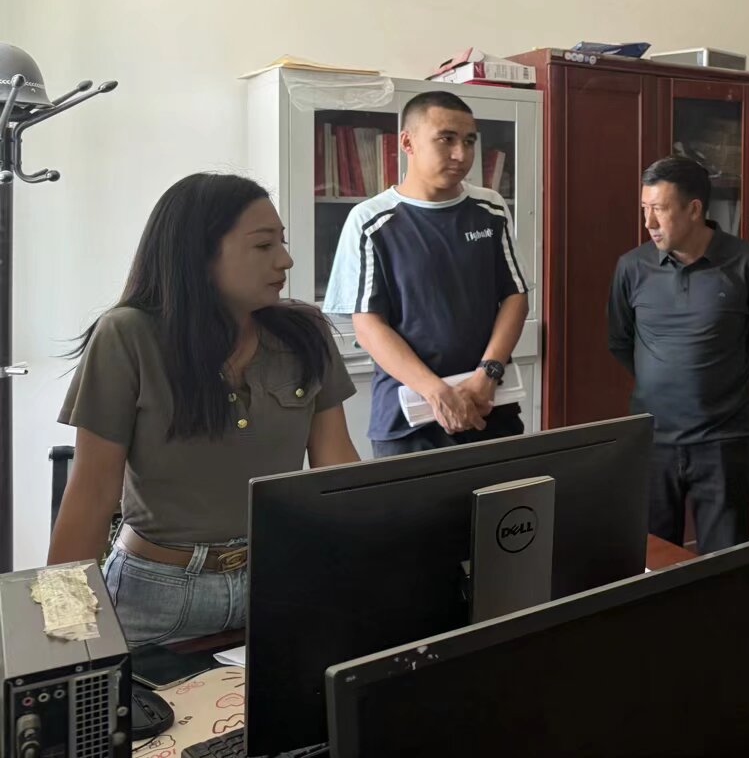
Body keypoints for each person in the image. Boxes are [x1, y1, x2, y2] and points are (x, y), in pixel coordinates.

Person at [48, 173, 359, 647]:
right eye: (263, 245)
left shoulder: (305, 335)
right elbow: (91, 493)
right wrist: (61, 636)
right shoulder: (128, 335)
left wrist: (367, 570)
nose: (285, 259)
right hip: (155, 594)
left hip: (279, 580)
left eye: (282, 242)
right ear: (200, 254)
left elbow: (338, 475)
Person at [325, 91, 529, 456]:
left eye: (469, 141)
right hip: (409, 420)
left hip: (489, 405)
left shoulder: (490, 208)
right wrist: (436, 392)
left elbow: (515, 295)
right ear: (407, 143)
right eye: (446, 139)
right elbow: (368, 325)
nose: (461, 154)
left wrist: (488, 373)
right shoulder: (370, 220)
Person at [607, 156, 749, 554]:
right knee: (652, 558)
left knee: (726, 560)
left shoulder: (748, 263)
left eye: (660, 209)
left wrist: (737, 390)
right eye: (644, 208)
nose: (649, 222)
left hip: (723, 441)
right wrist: (662, 384)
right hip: (652, 441)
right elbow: (620, 340)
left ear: (694, 209)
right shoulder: (631, 267)